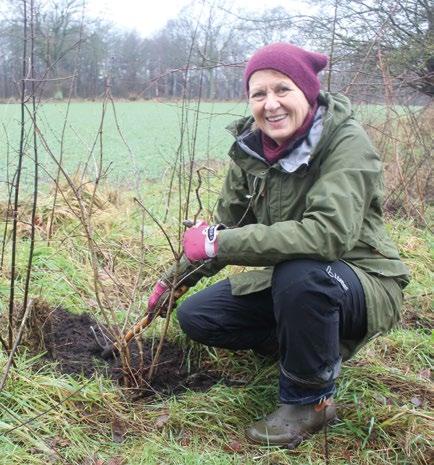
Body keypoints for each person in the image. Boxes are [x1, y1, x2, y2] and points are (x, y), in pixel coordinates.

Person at [147, 42, 410, 448]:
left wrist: (217, 242)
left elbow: (327, 234)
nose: (271, 104)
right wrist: (175, 280)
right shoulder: (252, 151)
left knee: (301, 273)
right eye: (259, 94)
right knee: (199, 316)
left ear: (307, 91)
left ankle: (310, 401)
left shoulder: (345, 142)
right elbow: (229, 227)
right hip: (298, 279)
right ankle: (306, 349)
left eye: (282, 89)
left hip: (364, 280)